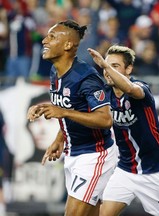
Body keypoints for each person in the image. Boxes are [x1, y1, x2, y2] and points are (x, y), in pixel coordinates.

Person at [26, 20, 117, 216]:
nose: (44, 40)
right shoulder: (55, 71)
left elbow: (105, 120)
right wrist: (60, 138)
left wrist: (64, 112)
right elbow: (72, 107)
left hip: (94, 155)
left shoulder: (86, 78)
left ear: (68, 45)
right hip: (73, 153)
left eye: (52, 37)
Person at [88, 45, 159, 216]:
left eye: (115, 66)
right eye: (106, 66)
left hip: (155, 170)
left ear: (129, 69)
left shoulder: (141, 88)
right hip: (126, 169)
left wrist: (105, 65)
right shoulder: (104, 95)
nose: (107, 71)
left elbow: (131, 89)